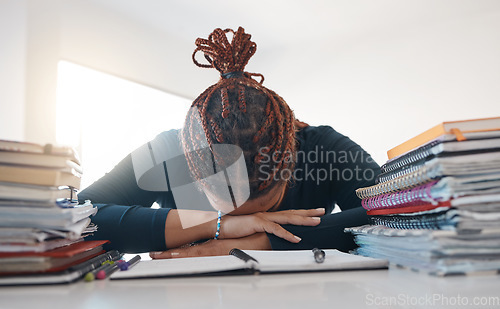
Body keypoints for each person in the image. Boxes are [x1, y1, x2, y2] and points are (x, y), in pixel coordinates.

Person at [79, 27, 380, 258]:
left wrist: (263, 241)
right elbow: (74, 216)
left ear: (292, 161)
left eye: (263, 211)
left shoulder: (322, 147)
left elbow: (403, 211)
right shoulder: (169, 151)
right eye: (230, 213)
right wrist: (217, 226)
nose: (251, 221)